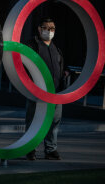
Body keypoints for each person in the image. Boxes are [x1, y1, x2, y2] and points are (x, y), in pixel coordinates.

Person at [25, 18, 68, 161]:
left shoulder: (56, 48)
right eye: (47, 28)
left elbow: (60, 66)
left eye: (52, 28)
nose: (49, 31)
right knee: (34, 121)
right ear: (39, 29)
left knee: (54, 121)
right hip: (38, 90)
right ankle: (30, 148)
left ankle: (51, 149)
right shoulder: (32, 45)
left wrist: (64, 73)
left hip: (56, 92)